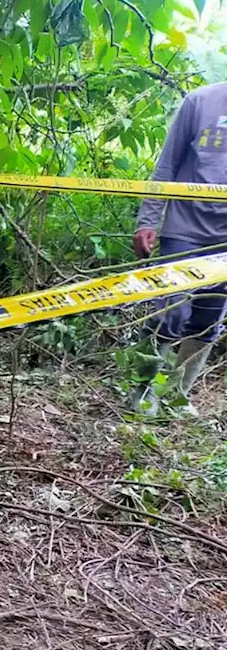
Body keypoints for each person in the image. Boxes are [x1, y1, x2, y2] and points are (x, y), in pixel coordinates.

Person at [129, 81, 227, 414]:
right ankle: (142, 392)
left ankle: (176, 395)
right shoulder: (200, 102)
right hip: (185, 227)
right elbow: (167, 163)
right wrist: (148, 220)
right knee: (170, 311)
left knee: (208, 319)